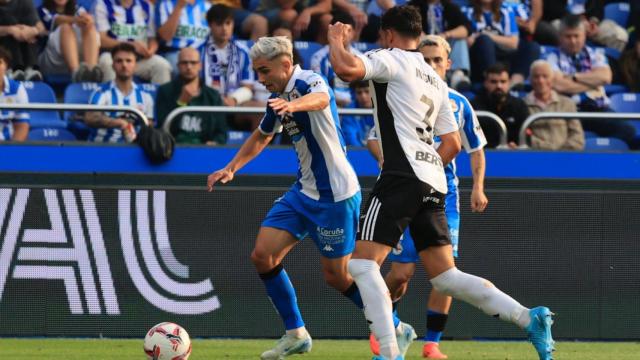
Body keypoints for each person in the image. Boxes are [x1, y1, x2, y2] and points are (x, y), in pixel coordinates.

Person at [328, 5, 554, 360]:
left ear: (388, 34)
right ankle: (529, 318)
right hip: (434, 180)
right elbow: (451, 144)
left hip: (402, 174)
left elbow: (345, 69)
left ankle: (389, 353)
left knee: (361, 264)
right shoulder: (438, 83)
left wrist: (335, 40)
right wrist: (424, 166)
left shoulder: (391, 57)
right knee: (446, 277)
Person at [206, 36, 363, 360]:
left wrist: (292, 105)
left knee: (337, 277)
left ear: (286, 64)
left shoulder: (308, 80)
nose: (261, 79)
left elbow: (322, 98)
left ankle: (391, 324)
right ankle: (296, 333)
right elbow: (262, 135)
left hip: (335, 195)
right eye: (257, 72)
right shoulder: (277, 98)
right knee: (262, 256)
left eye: (265, 71)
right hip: (303, 191)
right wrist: (232, 167)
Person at [367, 34, 488, 359]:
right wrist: (388, 160)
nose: (433, 64)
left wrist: (478, 186)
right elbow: (373, 137)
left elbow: (475, 149)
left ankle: (431, 344)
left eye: (438, 59)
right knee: (401, 273)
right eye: (427, 58)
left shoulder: (459, 102)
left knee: (444, 275)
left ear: (449, 63)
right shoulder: (402, 93)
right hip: (405, 192)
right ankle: (387, 325)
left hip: (443, 198)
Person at [545, 14, 636, 145]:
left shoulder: (596, 55)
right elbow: (559, 86)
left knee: (628, 131)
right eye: (568, 36)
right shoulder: (551, 57)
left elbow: (605, 77)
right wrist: (592, 83)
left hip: (598, 109)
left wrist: (574, 77)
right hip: (569, 112)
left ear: (584, 36)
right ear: (560, 37)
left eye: (576, 36)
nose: (573, 41)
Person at [202, 4, 261, 131]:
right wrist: (217, 99)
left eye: (228, 23)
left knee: (262, 109)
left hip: (235, 105)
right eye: (219, 24)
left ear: (233, 24)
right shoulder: (198, 50)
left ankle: (258, 150)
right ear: (210, 25)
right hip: (206, 104)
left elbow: (248, 86)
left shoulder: (243, 52)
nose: (224, 29)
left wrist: (234, 99)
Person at [155, 47, 229, 145]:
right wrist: (181, 102)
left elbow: (221, 131)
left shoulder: (213, 95)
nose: (189, 67)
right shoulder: (165, 91)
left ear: (200, 66)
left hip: (204, 150)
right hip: (173, 149)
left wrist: (215, 142)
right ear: (178, 66)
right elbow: (162, 128)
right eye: (184, 63)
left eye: (193, 63)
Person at [85, 43, 154, 143]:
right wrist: (119, 123)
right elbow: (90, 117)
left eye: (128, 61)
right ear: (113, 65)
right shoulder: (102, 92)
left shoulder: (145, 96)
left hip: (133, 151)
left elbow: (149, 125)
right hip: (102, 149)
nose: (124, 65)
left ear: (136, 65)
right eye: (119, 61)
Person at [463, 0, 540, 86]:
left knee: (532, 47)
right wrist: (484, 37)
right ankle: (492, 80)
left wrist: (487, 35)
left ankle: (515, 82)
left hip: (504, 52)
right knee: (484, 41)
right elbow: (468, 42)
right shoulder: (466, 11)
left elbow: (513, 43)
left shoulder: (506, 10)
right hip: (480, 57)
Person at [94, 0, 172, 84]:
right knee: (106, 61)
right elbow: (101, 40)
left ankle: (160, 97)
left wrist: (151, 50)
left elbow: (152, 38)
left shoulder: (146, 6)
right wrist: (129, 45)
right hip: (113, 56)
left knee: (162, 65)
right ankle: (111, 96)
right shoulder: (103, 4)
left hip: (139, 60)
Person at [408, 0, 473, 90]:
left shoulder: (449, 7)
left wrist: (446, 35)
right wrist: (421, 35)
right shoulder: (413, 6)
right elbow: (407, 25)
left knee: (460, 39)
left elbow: (467, 28)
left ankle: (458, 75)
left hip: (443, 44)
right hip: (421, 44)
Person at [524, 60, 584, 150]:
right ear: (530, 80)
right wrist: (549, 150)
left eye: (545, 76)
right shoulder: (522, 105)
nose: (541, 81)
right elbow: (523, 136)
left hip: (566, 159)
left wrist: (560, 154)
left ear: (552, 79)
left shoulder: (567, 104)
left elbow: (577, 136)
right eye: (536, 76)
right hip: (535, 157)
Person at [37, 0, 101, 82]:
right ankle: (76, 74)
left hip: (78, 58)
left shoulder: (77, 8)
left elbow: (87, 19)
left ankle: (91, 72)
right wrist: (76, 20)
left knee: (90, 27)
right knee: (65, 28)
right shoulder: (43, 9)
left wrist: (88, 20)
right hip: (51, 61)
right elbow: (57, 20)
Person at [310, 11, 363, 107]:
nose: (345, 34)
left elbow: (363, 88)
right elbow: (318, 87)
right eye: (341, 30)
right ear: (332, 31)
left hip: (355, 107)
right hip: (329, 105)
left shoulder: (360, 57)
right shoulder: (318, 57)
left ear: (354, 33)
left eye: (349, 30)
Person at [471, 62, 530, 148]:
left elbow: (526, 138)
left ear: (509, 83)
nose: (499, 86)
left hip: (512, 156)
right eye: (493, 82)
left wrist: (517, 146)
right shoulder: (474, 106)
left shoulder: (519, 106)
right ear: (486, 83)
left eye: (503, 81)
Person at [156, 0, 211, 72]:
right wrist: (178, 7)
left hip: (203, 52)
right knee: (181, 68)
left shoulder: (208, 6)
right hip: (175, 52)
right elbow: (165, 36)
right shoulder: (165, 4)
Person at [0, 0, 45, 81]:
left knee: (29, 26)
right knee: (10, 22)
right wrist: (11, 30)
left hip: (24, 49)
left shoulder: (25, 2)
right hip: (4, 48)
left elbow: (41, 28)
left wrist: (33, 31)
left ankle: (31, 68)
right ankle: (14, 69)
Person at [0, 46, 29, 141]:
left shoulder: (17, 89)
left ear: (6, 66)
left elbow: (22, 126)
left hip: (7, 147)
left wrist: (11, 150)